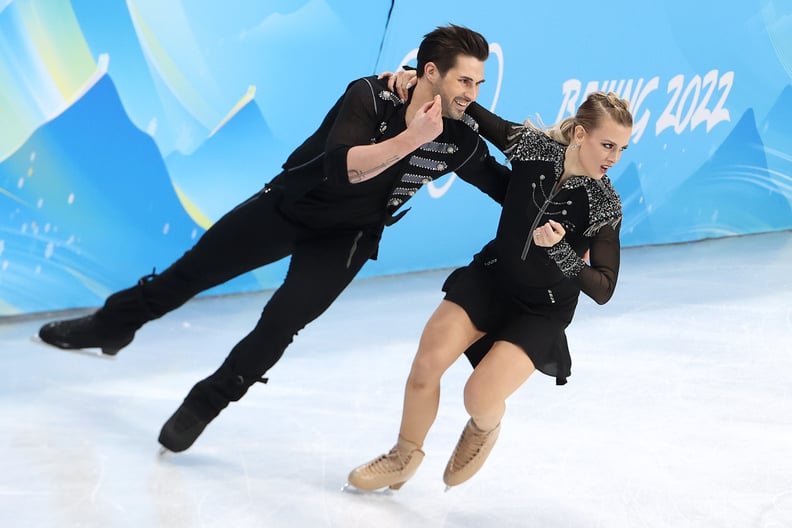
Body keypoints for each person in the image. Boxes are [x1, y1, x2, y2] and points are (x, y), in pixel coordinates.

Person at [37, 25, 511, 454]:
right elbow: (342, 168)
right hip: (292, 204)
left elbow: (504, 188)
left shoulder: (460, 140)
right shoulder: (369, 95)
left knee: (281, 322)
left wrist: (565, 185)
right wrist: (412, 138)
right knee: (190, 273)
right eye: (464, 81)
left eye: (478, 84)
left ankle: (206, 402)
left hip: (346, 238)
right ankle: (112, 324)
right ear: (430, 71)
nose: (472, 93)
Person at [346, 77, 633, 491]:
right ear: (582, 134)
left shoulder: (605, 203)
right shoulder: (535, 149)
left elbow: (604, 289)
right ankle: (404, 455)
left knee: (477, 396)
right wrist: (423, 78)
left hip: (542, 310)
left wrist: (561, 251)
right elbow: (476, 114)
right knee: (427, 363)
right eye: (608, 145)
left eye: (622, 148)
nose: (615, 157)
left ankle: (484, 427)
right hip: (492, 277)